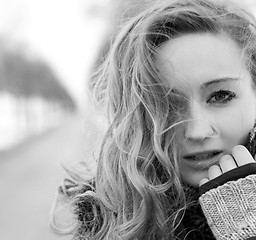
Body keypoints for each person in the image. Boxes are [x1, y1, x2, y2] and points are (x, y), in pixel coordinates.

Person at [50, 0, 256, 239]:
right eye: (167, 104)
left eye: (221, 96)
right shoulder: (110, 224)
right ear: (136, 115)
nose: (197, 131)